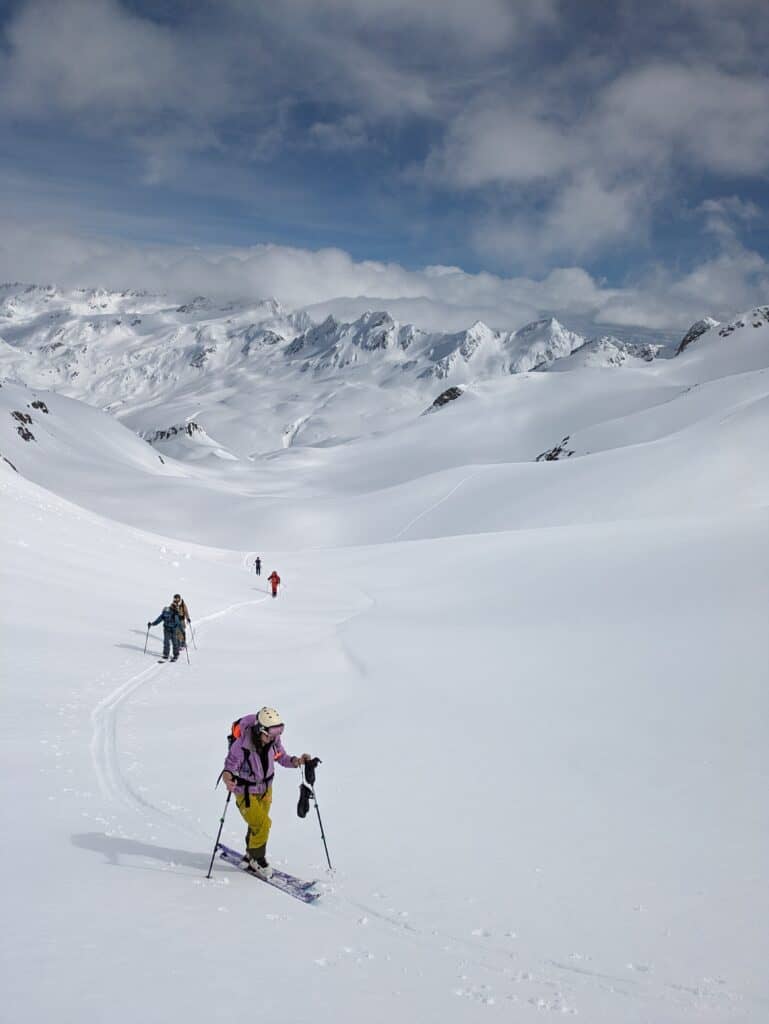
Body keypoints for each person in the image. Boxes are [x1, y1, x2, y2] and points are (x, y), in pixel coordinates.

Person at [221, 707, 313, 877]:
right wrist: (228, 778)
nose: (274, 737)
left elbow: (281, 757)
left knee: (257, 825)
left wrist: (297, 761)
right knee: (263, 824)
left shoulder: (273, 740)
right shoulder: (242, 744)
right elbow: (230, 766)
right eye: (270, 733)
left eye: (278, 732)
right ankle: (258, 859)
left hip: (266, 790)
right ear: (260, 730)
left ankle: (250, 855)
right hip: (245, 792)